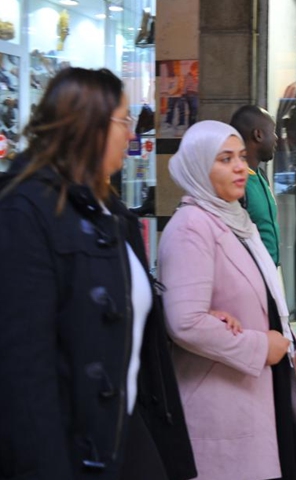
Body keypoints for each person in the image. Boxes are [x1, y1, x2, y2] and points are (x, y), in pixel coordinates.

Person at [0, 67, 196, 480]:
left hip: (121, 433)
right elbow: (24, 369)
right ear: (88, 125)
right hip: (69, 448)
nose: (130, 133)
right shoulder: (26, 212)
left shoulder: (109, 212)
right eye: (124, 120)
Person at [158, 120, 296, 480]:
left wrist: (294, 344)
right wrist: (261, 347)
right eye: (225, 159)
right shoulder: (191, 228)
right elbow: (185, 322)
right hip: (222, 400)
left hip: (262, 387)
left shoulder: (236, 219)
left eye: (241, 157)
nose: (240, 167)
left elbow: (265, 296)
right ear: (200, 166)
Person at [230, 105, 281, 265]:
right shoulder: (236, 184)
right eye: (273, 131)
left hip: (269, 275)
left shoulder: (260, 176)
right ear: (258, 135)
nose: (276, 138)